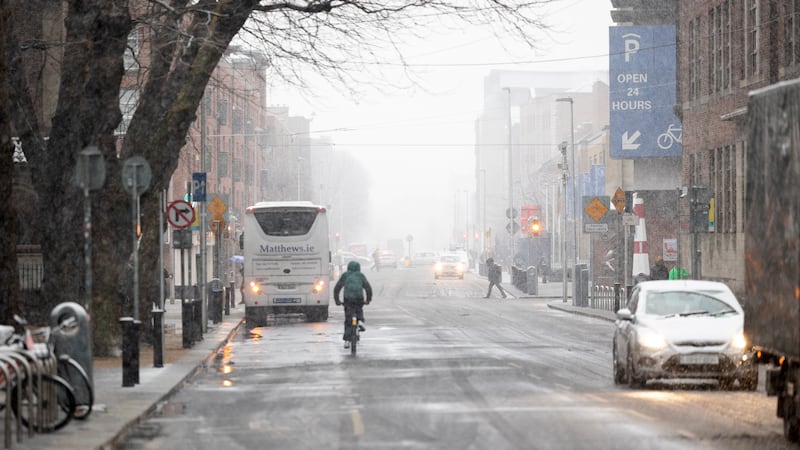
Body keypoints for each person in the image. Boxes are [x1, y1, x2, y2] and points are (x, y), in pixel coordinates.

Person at [334, 260, 373, 349]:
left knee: (348, 320)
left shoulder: (345, 275)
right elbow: (368, 288)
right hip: (359, 299)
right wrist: (368, 300)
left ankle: (347, 340)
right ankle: (360, 321)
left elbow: (337, 288)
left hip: (348, 300)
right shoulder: (361, 275)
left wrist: (337, 300)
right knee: (359, 309)